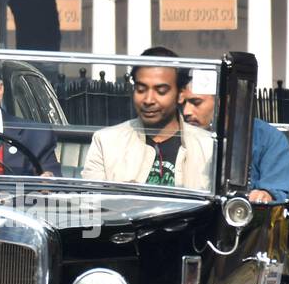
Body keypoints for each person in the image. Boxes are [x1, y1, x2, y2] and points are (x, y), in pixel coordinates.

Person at [80, 47, 213, 189]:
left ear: (180, 94)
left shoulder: (209, 147)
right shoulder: (106, 142)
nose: (148, 100)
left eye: (161, 91)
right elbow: (92, 204)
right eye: (141, 90)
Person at [178, 70, 289, 203]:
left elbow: (275, 192)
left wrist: (263, 195)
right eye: (183, 104)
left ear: (223, 102)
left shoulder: (268, 139)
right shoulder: (179, 135)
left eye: (196, 102)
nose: (186, 111)